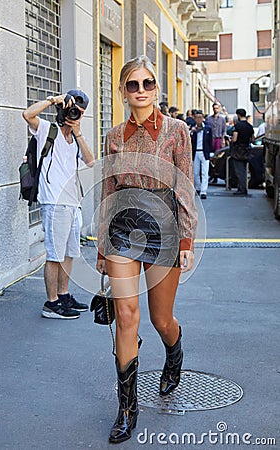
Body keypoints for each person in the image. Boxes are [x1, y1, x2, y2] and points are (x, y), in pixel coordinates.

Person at [96, 55, 197, 444]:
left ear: (157, 89)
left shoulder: (177, 131)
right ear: (123, 91)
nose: (141, 90)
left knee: (161, 319)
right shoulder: (113, 136)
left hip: (165, 226)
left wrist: (187, 240)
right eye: (133, 84)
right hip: (123, 224)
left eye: (148, 83)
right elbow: (108, 190)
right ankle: (126, 409)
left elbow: (185, 186)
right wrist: (104, 247)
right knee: (125, 315)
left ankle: (174, 350)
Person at [22, 90, 94, 319]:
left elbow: (91, 161)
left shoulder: (75, 138)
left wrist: (78, 132)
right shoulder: (46, 130)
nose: (75, 114)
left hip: (73, 204)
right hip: (54, 203)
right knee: (54, 255)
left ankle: (63, 295)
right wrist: (53, 100)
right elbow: (27, 114)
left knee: (69, 253)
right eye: (73, 109)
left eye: (80, 112)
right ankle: (51, 303)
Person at [231, 108, 255, 196]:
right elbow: (253, 139)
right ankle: (243, 187)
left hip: (238, 151)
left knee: (239, 170)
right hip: (246, 150)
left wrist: (231, 140)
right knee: (244, 170)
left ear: (238, 115)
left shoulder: (238, 126)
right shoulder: (250, 126)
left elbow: (234, 139)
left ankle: (242, 189)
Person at [190, 111, 213, 200]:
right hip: (195, 152)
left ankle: (204, 191)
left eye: (200, 117)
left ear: (203, 118)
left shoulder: (207, 129)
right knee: (196, 172)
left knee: (204, 172)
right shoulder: (193, 129)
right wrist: (191, 132)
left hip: (204, 152)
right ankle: (198, 188)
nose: (199, 119)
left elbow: (210, 141)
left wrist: (210, 152)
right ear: (194, 118)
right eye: (197, 117)